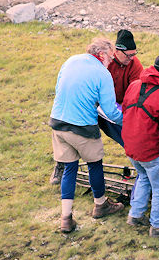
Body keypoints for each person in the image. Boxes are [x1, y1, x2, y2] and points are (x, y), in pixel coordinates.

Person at [49, 38, 125, 233]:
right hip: (82, 126)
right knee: (94, 164)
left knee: (70, 169)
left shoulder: (71, 60)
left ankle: (66, 218)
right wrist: (129, 122)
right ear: (102, 55)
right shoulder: (102, 73)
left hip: (58, 122)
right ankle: (100, 204)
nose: (111, 62)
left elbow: (59, 89)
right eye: (110, 57)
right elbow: (110, 110)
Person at [49, 30, 143, 184]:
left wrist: (129, 115)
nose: (132, 58)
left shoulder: (134, 64)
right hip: (96, 105)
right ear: (117, 51)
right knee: (69, 130)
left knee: (127, 134)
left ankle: (139, 161)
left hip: (117, 106)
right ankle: (61, 163)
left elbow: (136, 89)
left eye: (134, 54)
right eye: (129, 55)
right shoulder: (104, 63)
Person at [121, 55, 159, 238]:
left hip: (130, 145)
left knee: (143, 177)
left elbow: (124, 111)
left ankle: (135, 215)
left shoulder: (134, 84)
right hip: (149, 149)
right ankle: (158, 225)